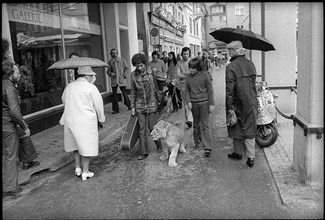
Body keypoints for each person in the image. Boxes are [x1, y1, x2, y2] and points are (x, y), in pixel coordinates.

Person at [59, 66, 105, 180]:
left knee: (76, 144)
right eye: (92, 76)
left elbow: (64, 100)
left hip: (71, 119)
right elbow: (98, 104)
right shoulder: (91, 87)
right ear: (86, 76)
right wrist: (101, 118)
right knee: (86, 145)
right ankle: (85, 171)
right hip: (86, 120)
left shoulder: (69, 86)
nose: (93, 78)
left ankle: (77, 168)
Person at [225, 40, 258, 168]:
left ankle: (238, 153)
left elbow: (229, 89)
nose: (228, 53)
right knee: (249, 126)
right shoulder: (251, 64)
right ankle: (251, 158)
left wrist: (230, 106)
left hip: (236, 101)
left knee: (235, 125)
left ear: (234, 51)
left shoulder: (231, 67)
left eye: (229, 51)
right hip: (251, 101)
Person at [130, 53, 164, 160]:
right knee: (141, 130)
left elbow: (162, 80)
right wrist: (132, 107)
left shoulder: (152, 71)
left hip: (152, 103)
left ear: (144, 63)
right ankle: (144, 152)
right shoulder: (133, 75)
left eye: (141, 65)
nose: (139, 68)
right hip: (140, 105)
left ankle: (159, 144)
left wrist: (170, 82)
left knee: (152, 128)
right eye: (137, 66)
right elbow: (133, 91)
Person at [2, 61, 28, 196]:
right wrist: (24, 126)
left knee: (4, 156)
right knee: (11, 157)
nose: (19, 74)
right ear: (10, 74)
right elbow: (14, 112)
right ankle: (10, 187)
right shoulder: (10, 88)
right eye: (17, 72)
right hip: (7, 126)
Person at [184, 57, 215, 157]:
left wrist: (211, 104)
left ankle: (207, 147)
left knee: (205, 125)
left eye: (193, 68)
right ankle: (197, 143)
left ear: (198, 67)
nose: (191, 70)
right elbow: (187, 90)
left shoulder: (205, 75)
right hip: (194, 103)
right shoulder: (188, 77)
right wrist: (188, 101)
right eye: (190, 68)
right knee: (196, 124)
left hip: (205, 103)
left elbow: (210, 90)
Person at [107, 48, 131, 114]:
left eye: (115, 52)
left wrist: (124, 75)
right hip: (114, 80)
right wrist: (111, 74)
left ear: (117, 53)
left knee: (124, 93)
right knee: (114, 95)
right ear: (111, 54)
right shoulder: (110, 62)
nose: (114, 54)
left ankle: (129, 105)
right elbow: (108, 71)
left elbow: (126, 68)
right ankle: (115, 109)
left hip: (121, 79)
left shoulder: (122, 60)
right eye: (112, 53)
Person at [176, 47, 193, 128]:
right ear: (182, 54)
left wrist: (184, 74)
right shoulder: (179, 63)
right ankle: (189, 120)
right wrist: (187, 74)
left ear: (189, 54)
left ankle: (193, 119)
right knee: (186, 103)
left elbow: (193, 72)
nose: (185, 55)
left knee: (193, 102)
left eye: (187, 54)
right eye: (184, 54)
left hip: (193, 85)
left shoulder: (192, 61)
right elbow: (178, 74)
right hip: (183, 86)